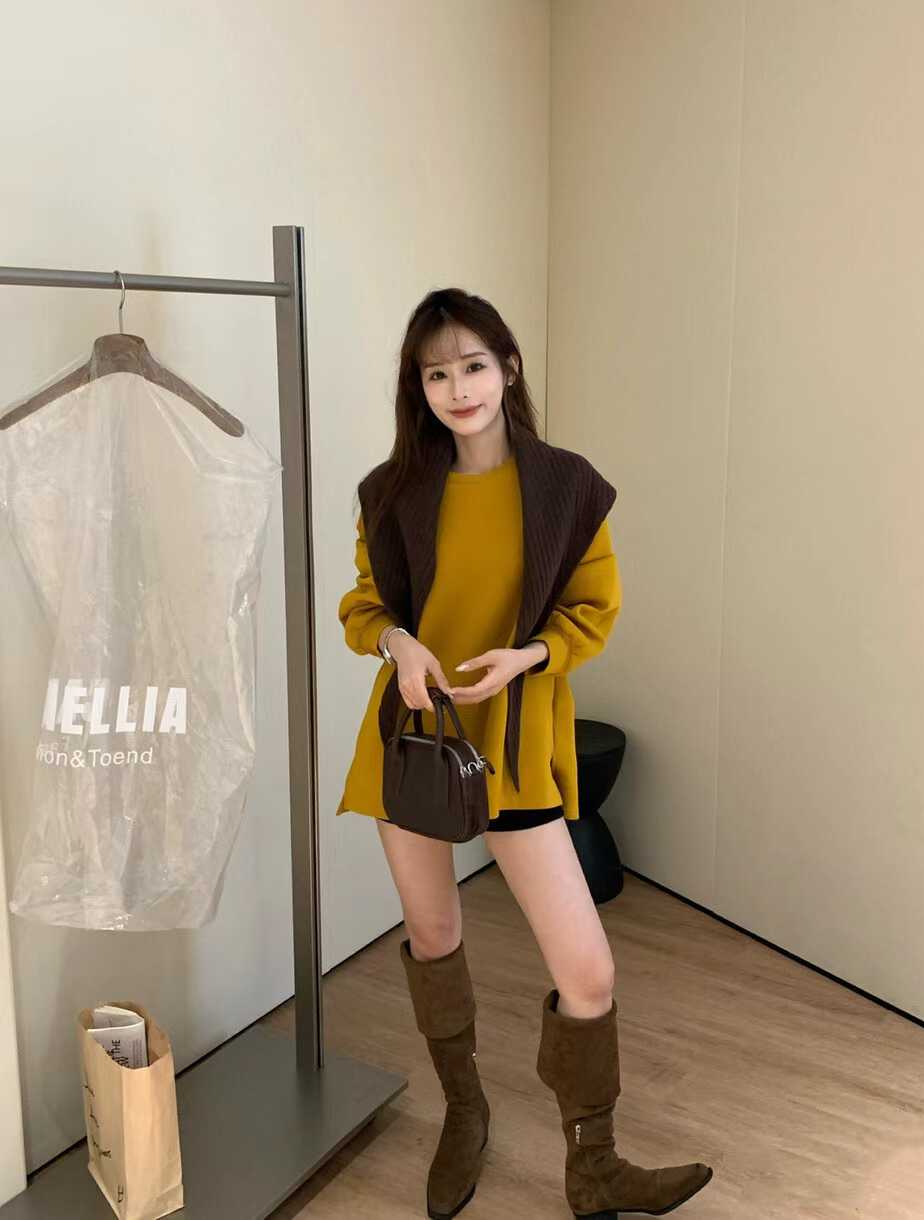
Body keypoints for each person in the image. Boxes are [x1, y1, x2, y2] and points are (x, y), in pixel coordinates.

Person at [336, 289, 713, 1219]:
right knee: (434, 938)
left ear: (507, 367)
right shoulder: (392, 491)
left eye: (473, 365)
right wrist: (398, 643)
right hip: (417, 743)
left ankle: (595, 1166)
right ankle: (465, 1114)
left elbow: (593, 609)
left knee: (588, 972)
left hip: (516, 742)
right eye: (437, 373)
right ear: (418, 388)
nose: (458, 388)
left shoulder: (566, 487)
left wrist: (530, 656)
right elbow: (363, 605)